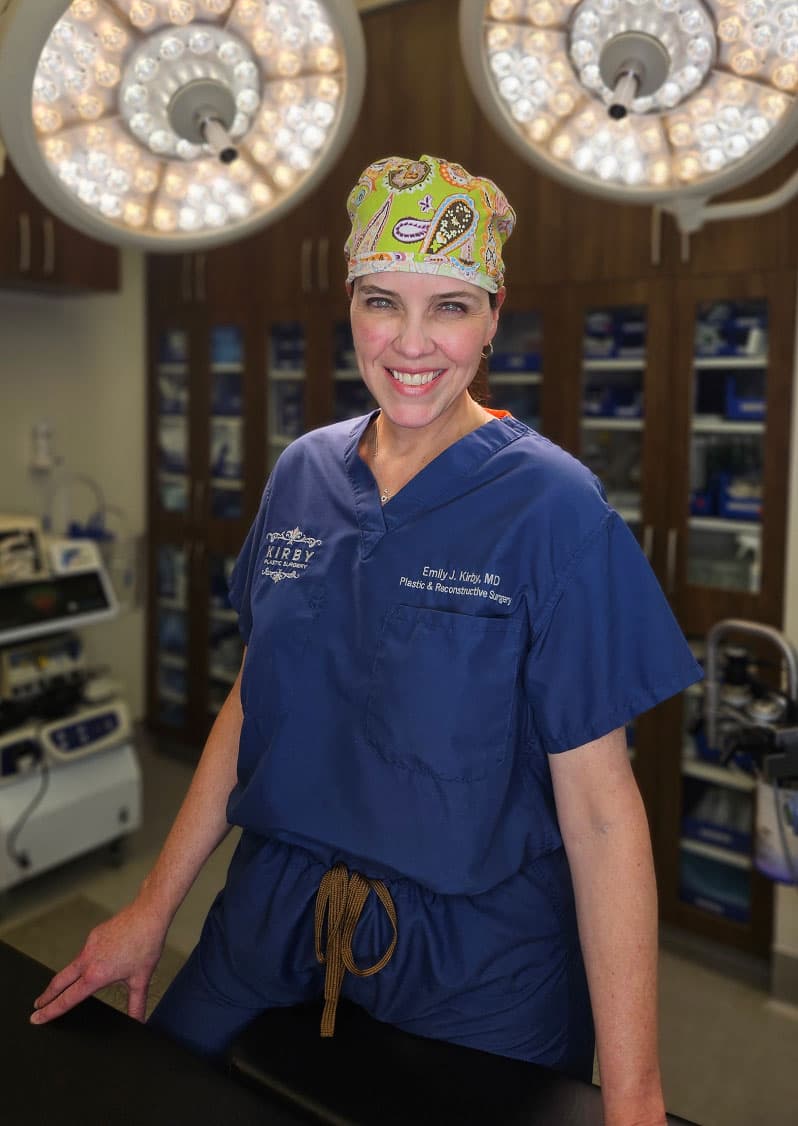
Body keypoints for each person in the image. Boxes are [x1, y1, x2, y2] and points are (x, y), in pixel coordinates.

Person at [31, 154, 701, 1126]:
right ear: (350, 301)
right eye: (384, 301)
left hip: (483, 953)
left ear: (494, 312)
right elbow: (257, 695)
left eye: (452, 306)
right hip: (273, 908)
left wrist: (636, 1092)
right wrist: (151, 906)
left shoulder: (554, 508)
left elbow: (601, 813)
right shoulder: (305, 472)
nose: (414, 342)